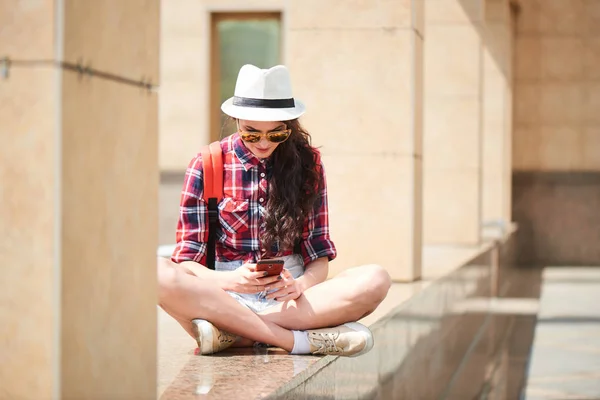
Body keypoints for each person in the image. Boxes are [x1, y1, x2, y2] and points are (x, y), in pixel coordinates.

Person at [157, 64, 391, 357]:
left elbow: (317, 253)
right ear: (236, 121)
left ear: (289, 126)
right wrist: (230, 280)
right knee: (156, 273)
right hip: (222, 295)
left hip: (289, 301)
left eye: (276, 133)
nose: (264, 142)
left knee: (375, 279)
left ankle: (231, 334)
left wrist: (301, 284)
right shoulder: (207, 163)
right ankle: (295, 341)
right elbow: (187, 261)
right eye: (252, 134)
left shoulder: (308, 164)